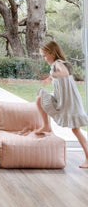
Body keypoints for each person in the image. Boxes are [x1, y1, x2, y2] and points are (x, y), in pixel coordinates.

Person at [35, 40, 88, 168]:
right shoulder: (55, 65)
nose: (43, 58)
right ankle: (46, 125)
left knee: (76, 130)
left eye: (44, 55)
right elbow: (57, 77)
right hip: (61, 100)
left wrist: (52, 75)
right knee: (40, 97)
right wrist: (49, 79)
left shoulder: (58, 63)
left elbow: (64, 73)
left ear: (52, 54)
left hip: (69, 102)